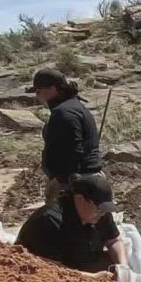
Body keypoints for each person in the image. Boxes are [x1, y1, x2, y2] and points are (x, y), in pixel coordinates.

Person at [15, 171, 127, 276]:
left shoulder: (100, 214)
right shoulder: (50, 221)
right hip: (45, 270)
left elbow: (114, 240)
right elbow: (50, 269)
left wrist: (123, 267)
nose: (102, 214)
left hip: (81, 259)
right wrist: (92, 278)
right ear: (80, 199)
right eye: (98, 210)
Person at [33, 68, 102, 206]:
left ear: (52, 89)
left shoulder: (65, 113)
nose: (36, 96)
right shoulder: (72, 107)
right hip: (84, 179)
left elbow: (72, 151)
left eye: (38, 91)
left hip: (76, 183)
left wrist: (66, 184)